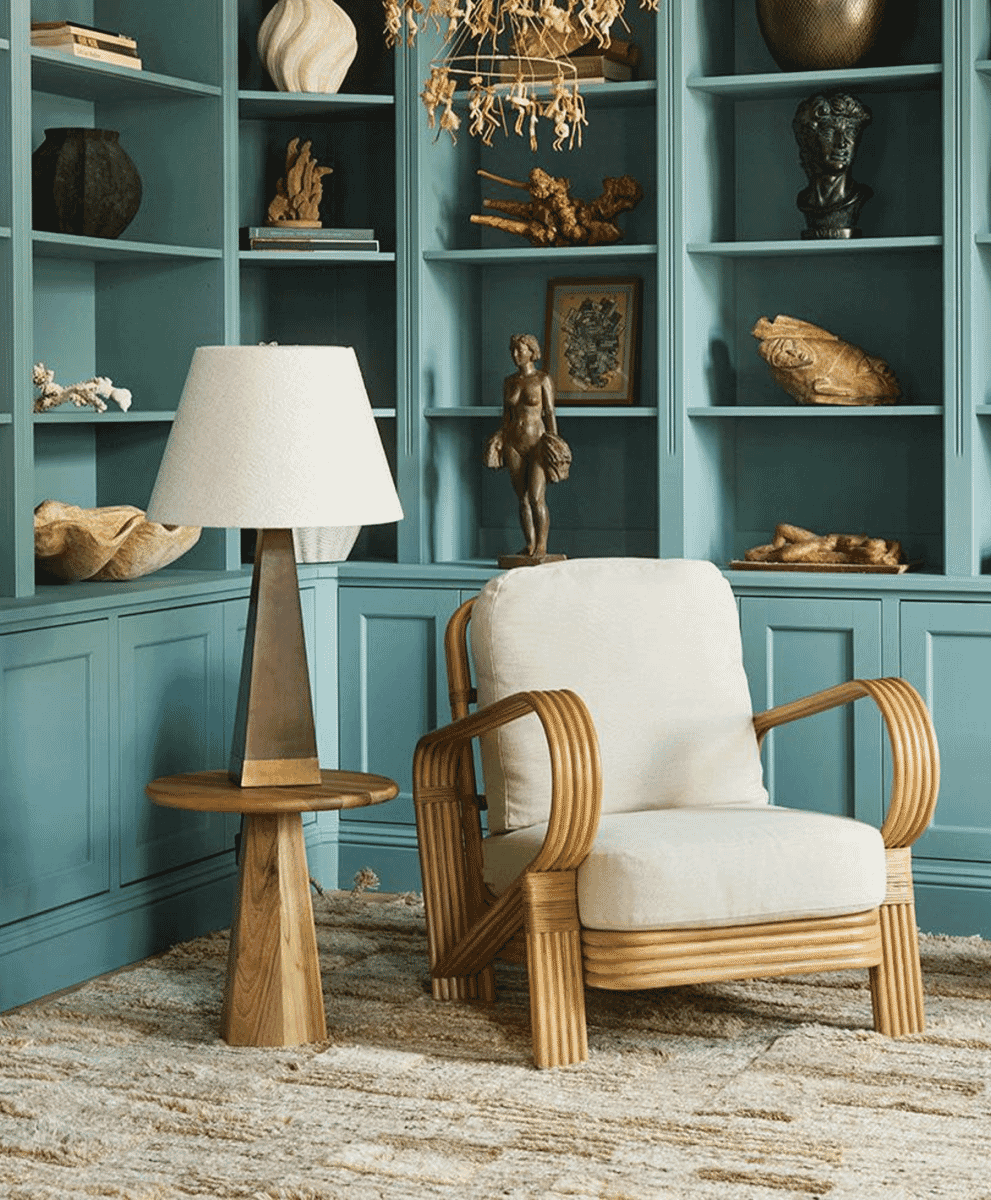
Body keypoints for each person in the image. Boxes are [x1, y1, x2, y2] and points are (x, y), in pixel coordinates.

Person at [484, 333, 571, 559]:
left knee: (536, 497)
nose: (515, 355)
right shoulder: (509, 381)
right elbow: (507, 415)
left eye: (519, 351)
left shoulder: (542, 380)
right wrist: (500, 438)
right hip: (514, 442)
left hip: (538, 444)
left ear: (532, 352)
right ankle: (530, 544)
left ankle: (542, 545)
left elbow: (550, 412)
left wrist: (555, 443)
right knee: (522, 499)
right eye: (512, 351)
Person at [792, 91, 873, 238]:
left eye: (850, 132)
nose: (841, 143)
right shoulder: (804, 200)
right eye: (829, 132)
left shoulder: (859, 196)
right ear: (809, 140)